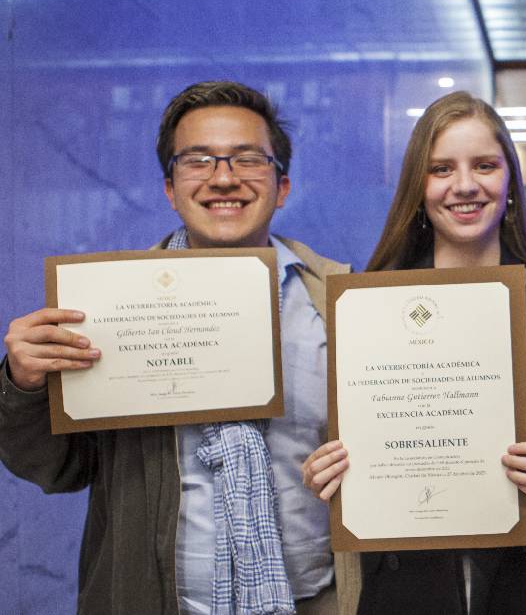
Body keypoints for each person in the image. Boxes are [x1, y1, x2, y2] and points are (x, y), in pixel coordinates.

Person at [0, 81, 359, 615]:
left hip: (316, 600)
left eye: (247, 159)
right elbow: (60, 468)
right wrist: (23, 384)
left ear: (282, 186)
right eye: (198, 161)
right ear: (170, 188)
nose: (223, 178)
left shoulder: (338, 303)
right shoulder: (107, 307)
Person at [302, 91, 526, 615]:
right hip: (406, 587)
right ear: (417, 189)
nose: (465, 185)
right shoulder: (368, 305)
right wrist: (331, 472)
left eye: (484, 165)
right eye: (441, 168)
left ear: (510, 179)